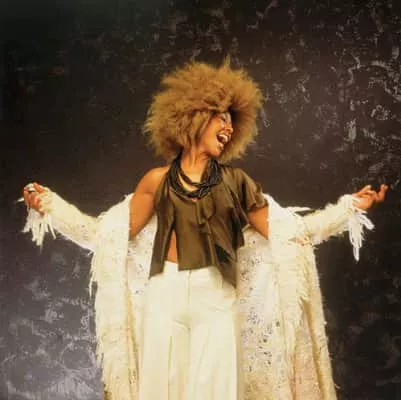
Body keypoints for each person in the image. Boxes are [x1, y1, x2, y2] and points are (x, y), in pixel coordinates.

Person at [22, 61, 387, 400]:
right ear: (194, 117)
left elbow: (291, 233)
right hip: (164, 297)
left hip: (216, 299)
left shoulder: (237, 182)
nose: (229, 129)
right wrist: (51, 207)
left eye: (232, 123)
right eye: (221, 119)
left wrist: (349, 208)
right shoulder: (156, 181)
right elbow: (106, 237)